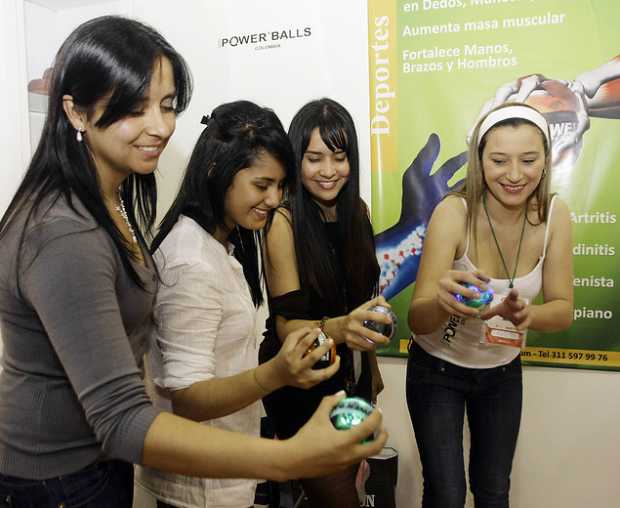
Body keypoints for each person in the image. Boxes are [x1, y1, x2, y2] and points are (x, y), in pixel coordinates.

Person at [0, 16, 387, 508]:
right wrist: (289, 455)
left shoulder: (116, 205)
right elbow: (127, 415)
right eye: (134, 107)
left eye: (166, 106)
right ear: (75, 111)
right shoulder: (65, 232)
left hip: (94, 469)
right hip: (56, 481)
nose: (160, 127)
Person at [135, 100, 341, 508]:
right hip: (199, 485)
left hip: (223, 467)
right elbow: (189, 398)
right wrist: (277, 373)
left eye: (280, 187)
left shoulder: (220, 246)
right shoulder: (190, 260)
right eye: (262, 185)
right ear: (217, 171)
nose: (273, 198)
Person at [407, 103, 573, 508]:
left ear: (545, 161)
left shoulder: (555, 215)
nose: (515, 175)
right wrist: (444, 302)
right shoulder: (453, 212)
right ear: (480, 161)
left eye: (528, 160)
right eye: (499, 160)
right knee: (446, 495)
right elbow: (417, 317)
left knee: (494, 491)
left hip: (501, 373)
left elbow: (563, 309)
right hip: (437, 371)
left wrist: (527, 314)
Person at [259, 98, 392, 508]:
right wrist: (341, 328)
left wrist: (370, 376)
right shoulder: (282, 221)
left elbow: (362, 301)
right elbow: (286, 328)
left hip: (350, 380)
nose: (329, 171)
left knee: (348, 488)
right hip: (303, 384)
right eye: (314, 158)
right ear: (296, 160)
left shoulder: (359, 213)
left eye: (339, 157)